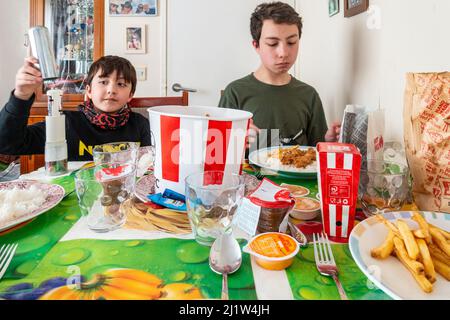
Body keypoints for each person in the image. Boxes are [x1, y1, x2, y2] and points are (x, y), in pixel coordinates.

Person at [219, 2, 341, 149]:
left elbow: (317, 151)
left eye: (291, 42)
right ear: (256, 45)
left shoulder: (309, 95)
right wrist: (235, 141)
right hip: (250, 172)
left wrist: (329, 141)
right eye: (272, 43)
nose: (283, 53)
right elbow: (218, 154)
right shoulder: (235, 93)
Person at [0, 55, 151, 161]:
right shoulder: (65, 123)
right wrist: (21, 96)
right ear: (89, 91)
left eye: (121, 84)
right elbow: (8, 144)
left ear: (130, 95)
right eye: (103, 82)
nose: (111, 90)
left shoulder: (140, 125)